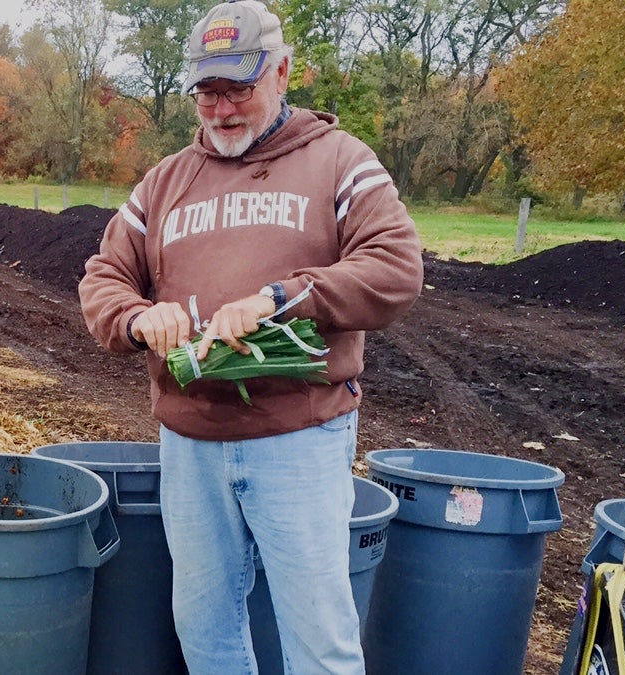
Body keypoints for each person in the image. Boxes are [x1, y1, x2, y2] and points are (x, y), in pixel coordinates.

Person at [78, 1, 424, 672]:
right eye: (207, 91)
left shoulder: (339, 162)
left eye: (238, 87)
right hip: (191, 444)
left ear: (283, 71)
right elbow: (103, 276)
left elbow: (396, 267)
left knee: (318, 636)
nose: (222, 108)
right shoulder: (164, 183)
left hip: (298, 438)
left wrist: (282, 298)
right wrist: (137, 317)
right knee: (204, 629)